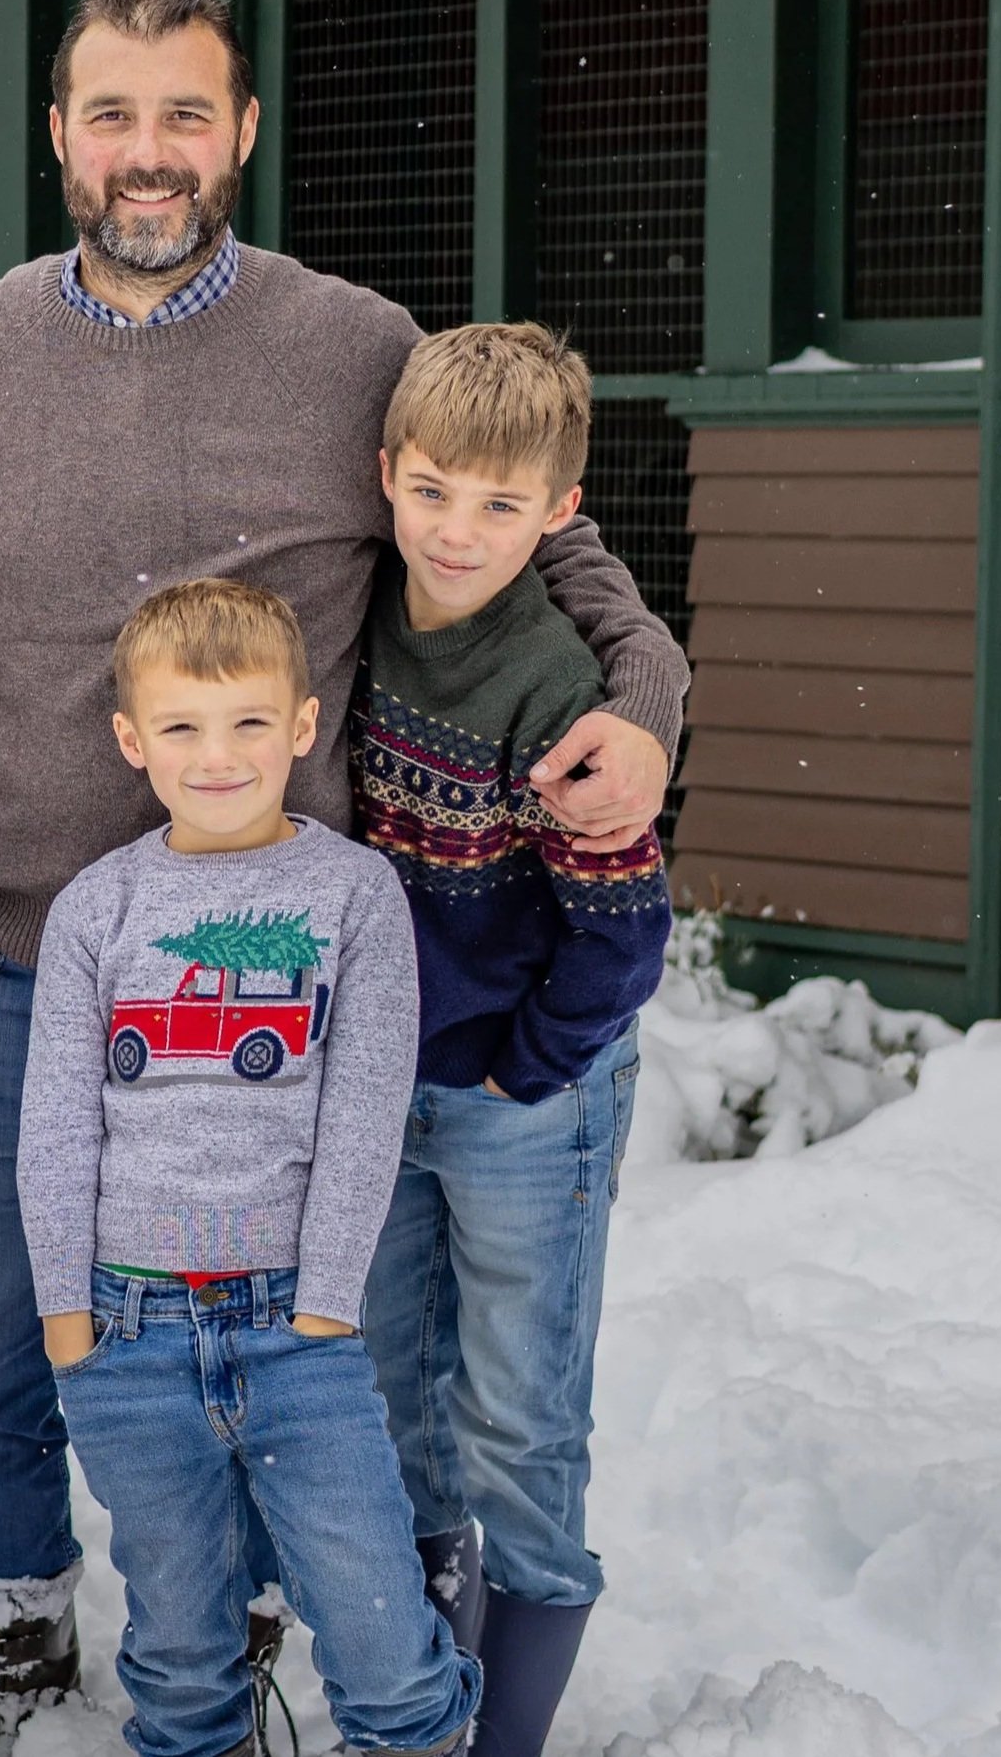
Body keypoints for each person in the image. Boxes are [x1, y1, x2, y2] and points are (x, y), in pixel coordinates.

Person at [0, 0, 690, 1718]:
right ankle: (12, 1633)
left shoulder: (358, 351)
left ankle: (236, 1638)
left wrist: (642, 704)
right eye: (113, 112)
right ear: (59, 138)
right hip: (34, 947)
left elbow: (554, 552)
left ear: (242, 131)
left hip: (281, 971)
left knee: (282, 1353)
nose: (149, 151)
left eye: (188, 112)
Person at [20, 578, 481, 1757]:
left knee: (380, 1639)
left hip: (297, 1333)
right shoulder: (98, 909)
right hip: (129, 1339)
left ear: (302, 726)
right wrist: (70, 1326)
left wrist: (326, 1303)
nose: (216, 756)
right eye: (180, 727)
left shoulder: (349, 895)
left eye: (245, 724)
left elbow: (367, 1109)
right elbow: (61, 1131)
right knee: (179, 1656)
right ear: (132, 741)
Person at [351, 325, 672, 1757]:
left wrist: (525, 1065)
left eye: (498, 503)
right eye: (430, 492)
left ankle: (511, 1722)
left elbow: (621, 933)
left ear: (558, 509)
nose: (457, 529)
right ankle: (425, 1691)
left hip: (522, 1086)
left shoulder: (557, 683)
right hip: (389, 1080)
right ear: (385, 478)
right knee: (386, 1382)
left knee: (519, 1406)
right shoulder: (361, 615)